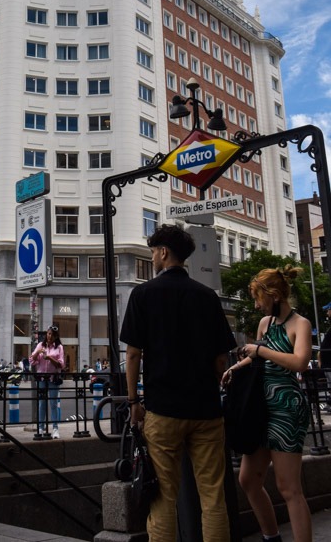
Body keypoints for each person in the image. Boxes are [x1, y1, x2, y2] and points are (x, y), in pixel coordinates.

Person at [120, 224, 236, 542]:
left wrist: (133, 403)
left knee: (162, 500)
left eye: (153, 251)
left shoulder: (142, 294)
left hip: (163, 410)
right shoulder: (207, 297)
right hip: (206, 411)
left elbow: (133, 355)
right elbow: (220, 359)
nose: (152, 257)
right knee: (213, 497)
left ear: (163, 252)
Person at [223, 266, 312, 542]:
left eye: (258, 297)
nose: (256, 303)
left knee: (289, 488)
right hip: (261, 407)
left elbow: (299, 363)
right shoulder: (266, 324)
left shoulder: (301, 324)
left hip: (286, 408)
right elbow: (259, 357)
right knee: (249, 480)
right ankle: (271, 536)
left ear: (273, 295)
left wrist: (260, 350)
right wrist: (237, 366)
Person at [30, 325, 65, 438]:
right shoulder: (41, 345)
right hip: (41, 378)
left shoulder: (59, 347)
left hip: (53, 378)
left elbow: (61, 364)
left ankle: (55, 429)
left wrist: (49, 358)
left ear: (56, 337)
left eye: (52, 335)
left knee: (53, 403)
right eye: (48, 334)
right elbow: (32, 360)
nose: (50, 336)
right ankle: (40, 428)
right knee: (42, 403)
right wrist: (38, 352)